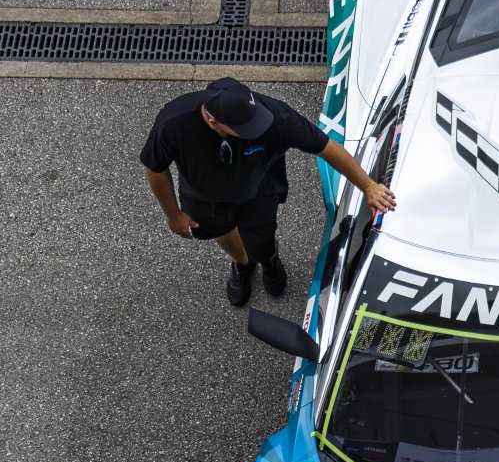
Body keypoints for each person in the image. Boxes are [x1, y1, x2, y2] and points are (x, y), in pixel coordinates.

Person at [140, 78, 395, 307]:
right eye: (245, 128)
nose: (257, 128)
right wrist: (173, 215)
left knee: (261, 240)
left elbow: (325, 147)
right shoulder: (173, 124)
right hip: (205, 200)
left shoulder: (275, 116)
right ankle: (242, 264)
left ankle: (269, 261)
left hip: (258, 195)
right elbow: (155, 168)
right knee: (220, 232)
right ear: (214, 122)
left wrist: (368, 186)